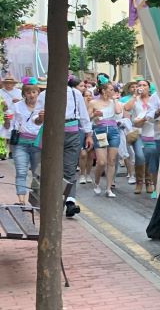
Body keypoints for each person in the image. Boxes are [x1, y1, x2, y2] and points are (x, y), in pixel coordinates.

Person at [38, 76, 94, 217]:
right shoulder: (44, 94)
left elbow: (83, 115)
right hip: (52, 134)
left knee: (69, 169)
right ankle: (50, 200)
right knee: (52, 168)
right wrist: (39, 117)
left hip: (73, 133)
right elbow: (36, 118)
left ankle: (70, 202)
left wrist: (88, 134)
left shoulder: (75, 94)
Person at [88, 77, 123, 198]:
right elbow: (88, 119)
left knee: (112, 160)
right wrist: (94, 115)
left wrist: (115, 100)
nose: (113, 91)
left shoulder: (113, 102)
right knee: (102, 162)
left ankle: (108, 188)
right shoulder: (93, 102)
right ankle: (97, 183)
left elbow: (118, 112)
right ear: (104, 91)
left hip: (113, 131)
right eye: (111, 90)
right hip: (100, 131)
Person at [11, 78, 42, 206]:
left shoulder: (43, 106)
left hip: (37, 143)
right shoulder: (17, 106)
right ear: (24, 94)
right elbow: (11, 125)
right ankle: (21, 200)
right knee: (21, 171)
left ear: (38, 93)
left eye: (34, 92)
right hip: (21, 143)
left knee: (37, 173)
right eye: (28, 93)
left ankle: (35, 199)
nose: (31, 95)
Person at [1, 74, 22, 161]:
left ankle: (11, 152)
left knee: (13, 134)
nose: (8, 85)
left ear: (13, 84)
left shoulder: (18, 92)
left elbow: (23, 101)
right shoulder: (0, 92)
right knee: (3, 133)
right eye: (7, 83)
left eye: (10, 83)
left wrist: (18, 101)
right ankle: (3, 152)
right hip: (3, 115)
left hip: (15, 115)